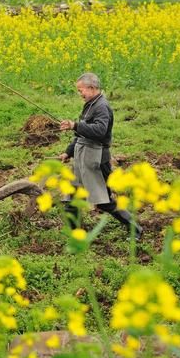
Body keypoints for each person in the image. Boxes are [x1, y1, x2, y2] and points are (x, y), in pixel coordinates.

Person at [58, 72, 142, 240]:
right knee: (71, 198)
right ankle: (76, 235)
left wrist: (75, 125)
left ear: (92, 88)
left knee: (103, 201)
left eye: (81, 90)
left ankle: (135, 229)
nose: (80, 94)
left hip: (96, 159)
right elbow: (82, 134)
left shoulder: (102, 106)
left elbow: (99, 131)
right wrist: (69, 151)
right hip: (83, 157)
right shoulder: (90, 104)